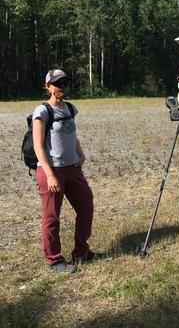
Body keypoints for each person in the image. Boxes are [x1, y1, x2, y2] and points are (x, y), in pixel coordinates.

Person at [32, 69, 103, 273]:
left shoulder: (71, 108)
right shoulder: (42, 111)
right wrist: (50, 174)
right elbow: (38, 146)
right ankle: (54, 260)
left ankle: (81, 252)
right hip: (51, 171)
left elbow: (72, 134)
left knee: (86, 206)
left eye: (64, 82)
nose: (60, 86)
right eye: (56, 83)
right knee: (52, 216)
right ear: (48, 87)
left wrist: (80, 153)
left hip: (73, 169)